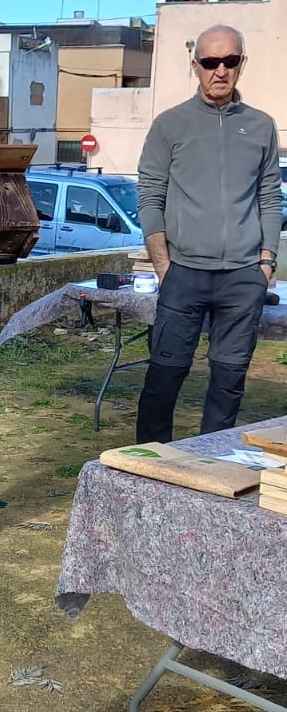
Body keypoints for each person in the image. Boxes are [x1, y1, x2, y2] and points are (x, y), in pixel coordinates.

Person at [136, 24, 282, 442]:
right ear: (195, 66)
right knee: (163, 379)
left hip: (243, 279)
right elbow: (150, 198)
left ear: (241, 65)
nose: (220, 71)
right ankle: (149, 470)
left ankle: (212, 469)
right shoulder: (170, 125)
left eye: (230, 61)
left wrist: (265, 264)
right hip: (184, 274)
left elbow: (270, 198)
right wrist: (165, 267)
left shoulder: (260, 126)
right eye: (210, 62)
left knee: (228, 384)